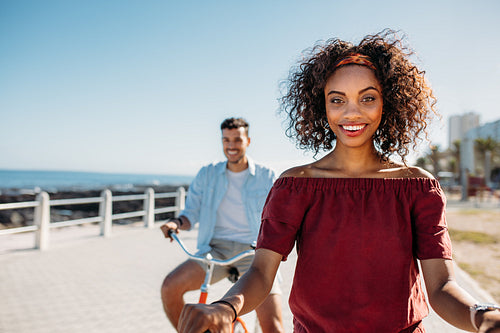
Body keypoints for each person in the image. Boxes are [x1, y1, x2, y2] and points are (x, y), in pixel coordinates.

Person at [176, 30, 500, 332]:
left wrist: (483, 316)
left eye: (368, 98)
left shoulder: (418, 187)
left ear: (389, 103)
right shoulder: (294, 186)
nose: (351, 113)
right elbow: (261, 272)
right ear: (322, 106)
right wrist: (225, 307)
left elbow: (442, 288)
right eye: (337, 99)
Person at [160, 117, 284, 333]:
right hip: (215, 250)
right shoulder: (207, 174)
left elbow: (279, 217)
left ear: (248, 141)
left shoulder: (267, 176)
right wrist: (176, 222)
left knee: (273, 325)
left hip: (253, 252)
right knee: (170, 287)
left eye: (237, 139)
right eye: (226, 140)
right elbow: (191, 213)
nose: (231, 145)